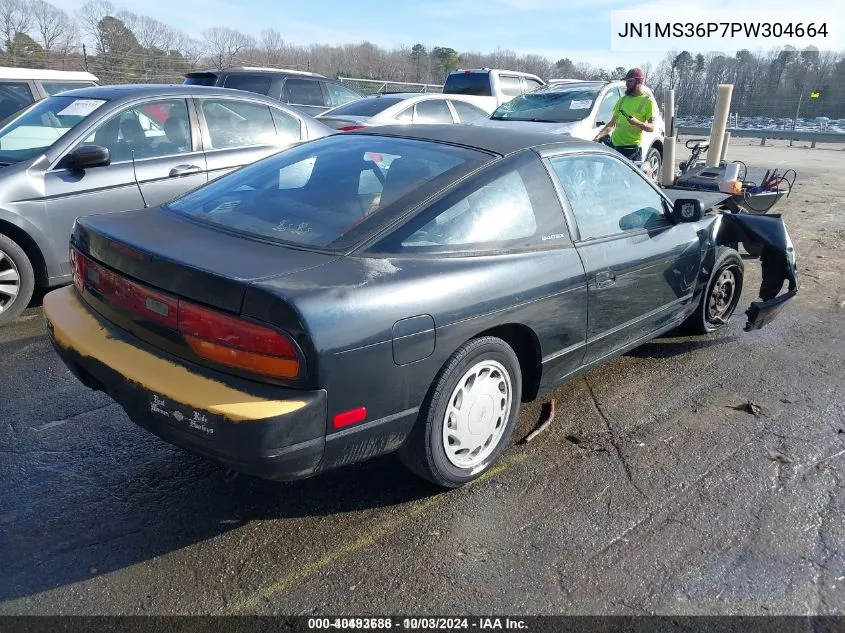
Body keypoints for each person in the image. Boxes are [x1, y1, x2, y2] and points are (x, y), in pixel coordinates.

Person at [593, 68, 655, 162]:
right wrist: (598, 137)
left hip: (632, 151)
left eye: (630, 81)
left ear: (639, 81)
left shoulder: (647, 101)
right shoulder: (622, 100)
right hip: (615, 148)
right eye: (626, 81)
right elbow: (611, 124)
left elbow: (651, 127)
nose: (626, 84)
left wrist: (637, 123)